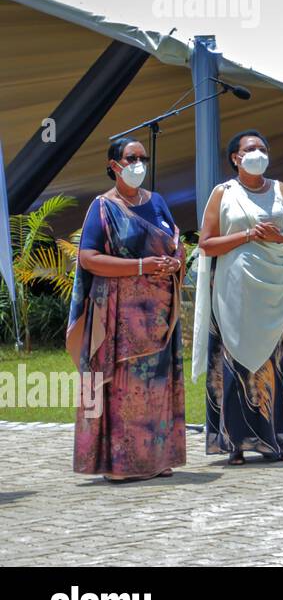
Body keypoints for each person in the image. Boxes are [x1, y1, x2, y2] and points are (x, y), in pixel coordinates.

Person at [66, 138, 186, 481]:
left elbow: (176, 243)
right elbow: (88, 258)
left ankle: (157, 458)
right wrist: (141, 266)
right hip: (118, 316)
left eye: (142, 158)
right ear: (113, 165)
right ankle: (119, 464)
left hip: (160, 316)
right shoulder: (102, 207)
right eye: (130, 158)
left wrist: (173, 264)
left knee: (157, 386)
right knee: (122, 388)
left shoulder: (158, 202)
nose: (138, 164)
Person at [195, 130, 283, 464]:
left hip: (278, 289)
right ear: (235, 157)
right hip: (235, 293)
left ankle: (278, 440)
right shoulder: (223, 193)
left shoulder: (281, 191)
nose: (257, 153)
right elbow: (206, 243)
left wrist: (279, 238)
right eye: (250, 149)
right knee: (235, 363)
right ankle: (235, 441)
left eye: (262, 148)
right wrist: (246, 235)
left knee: (279, 363)